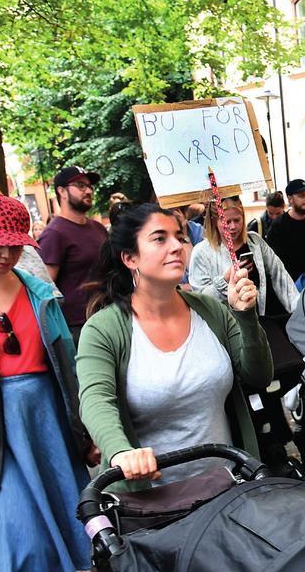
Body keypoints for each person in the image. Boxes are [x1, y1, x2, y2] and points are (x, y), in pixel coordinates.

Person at [76, 202, 273, 489]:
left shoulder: (210, 310)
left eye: (179, 237)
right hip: (155, 503)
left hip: (229, 486)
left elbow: (259, 376)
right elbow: (96, 400)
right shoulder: (103, 329)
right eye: (159, 238)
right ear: (130, 258)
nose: (177, 246)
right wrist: (121, 452)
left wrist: (245, 316)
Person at [0, 195, 100, 572]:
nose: (4, 254)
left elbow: (68, 365)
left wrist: (83, 428)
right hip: (1, 433)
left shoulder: (40, 293)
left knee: (58, 521)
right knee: (20, 531)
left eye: (13, 245)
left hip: (47, 421)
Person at [189, 195, 298, 319]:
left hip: (261, 321)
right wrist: (225, 280)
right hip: (227, 328)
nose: (233, 226)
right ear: (214, 221)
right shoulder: (202, 252)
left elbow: (279, 275)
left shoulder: (255, 242)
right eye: (226, 222)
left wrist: (298, 310)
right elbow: (201, 300)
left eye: (237, 220)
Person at [38, 166, 108, 344]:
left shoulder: (98, 228)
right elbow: (44, 289)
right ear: (61, 191)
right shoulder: (54, 234)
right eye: (80, 185)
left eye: (89, 186)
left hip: (109, 316)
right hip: (77, 328)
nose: (88, 190)